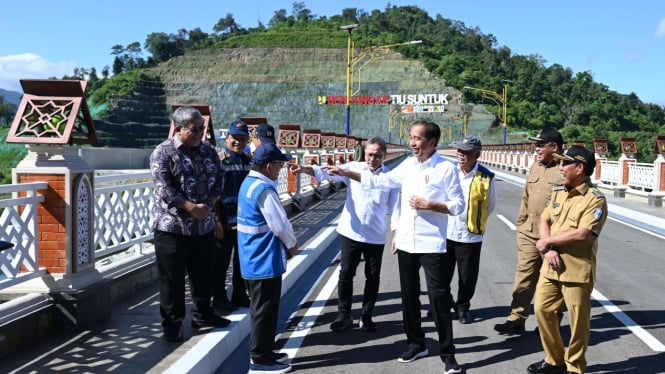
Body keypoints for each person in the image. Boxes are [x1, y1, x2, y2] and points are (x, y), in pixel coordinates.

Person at [326, 121, 465, 374]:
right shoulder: (408, 166)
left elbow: (457, 206)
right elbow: (381, 181)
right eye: (411, 138)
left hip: (432, 242)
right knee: (409, 296)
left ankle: (448, 354)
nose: (412, 143)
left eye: (418, 139)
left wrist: (430, 204)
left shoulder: (446, 169)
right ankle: (416, 343)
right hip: (407, 242)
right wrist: (346, 173)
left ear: (432, 142)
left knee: (438, 298)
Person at [291, 137, 399, 332]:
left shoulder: (390, 177)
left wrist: (397, 233)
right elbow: (326, 173)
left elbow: (395, 207)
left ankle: (366, 316)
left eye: (377, 155)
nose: (372, 158)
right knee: (346, 273)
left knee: (372, 276)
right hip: (351, 231)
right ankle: (344, 315)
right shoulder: (354, 167)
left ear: (384, 156)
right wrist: (304, 169)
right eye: (369, 154)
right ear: (364, 153)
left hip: (375, 234)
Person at [149, 106, 231, 342]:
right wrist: (189, 207)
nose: (200, 133)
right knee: (171, 279)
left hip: (202, 227)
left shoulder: (208, 151)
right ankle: (173, 323)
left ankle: (203, 313)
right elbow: (164, 188)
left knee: (204, 273)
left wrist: (208, 204)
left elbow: (219, 179)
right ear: (179, 128)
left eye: (202, 128)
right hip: (172, 228)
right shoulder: (162, 153)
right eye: (195, 129)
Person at [527, 145, 607, 374]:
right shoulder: (558, 192)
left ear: (580, 168)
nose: (560, 167)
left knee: (577, 321)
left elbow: (582, 233)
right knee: (542, 310)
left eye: (565, 163)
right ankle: (554, 359)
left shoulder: (595, 200)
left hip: (576, 269)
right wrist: (548, 248)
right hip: (551, 265)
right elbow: (545, 220)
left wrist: (549, 242)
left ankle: (575, 365)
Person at [494, 125, 565, 335]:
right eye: (535, 144)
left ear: (554, 147)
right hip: (528, 231)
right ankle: (516, 318)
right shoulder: (536, 165)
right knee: (524, 275)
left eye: (540, 144)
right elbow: (526, 196)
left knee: (551, 280)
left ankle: (550, 322)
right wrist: (521, 224)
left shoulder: (564, 167)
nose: (535, 148)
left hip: (553, 235)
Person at [238, 143, 299, 374]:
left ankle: (266, 351)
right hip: (263, 259)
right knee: (264, 310)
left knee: (263, 308)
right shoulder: (263, 188)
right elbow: (279, 224)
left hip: (253, 257)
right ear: (268, 166)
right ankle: (260, 360)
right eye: (279, 165)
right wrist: (293, 245)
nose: (281, 169)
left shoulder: (249, 183)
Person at [445, 135, 496, 324]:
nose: (461, 154)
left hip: (470, 234)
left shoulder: (486, 176)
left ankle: (462, 307)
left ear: (477, 155)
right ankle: (445, 304)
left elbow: (490, 205)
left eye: (466, 151)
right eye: (459, 150)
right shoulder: (448, 172)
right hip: (446, 231)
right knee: (441, 275)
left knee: (467, 277)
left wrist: (473, 220)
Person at [213, 120, 252, 312]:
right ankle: (219, 299)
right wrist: (216, 219)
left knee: (241, 261)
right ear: (227, 137)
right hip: (224, 221)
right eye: (235, 138)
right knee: (220, 262)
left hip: (244, 221)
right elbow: (212, 192)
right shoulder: (218, 160)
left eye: (243, 139)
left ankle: (239, 294)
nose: (239, 142)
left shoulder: (248, 161)